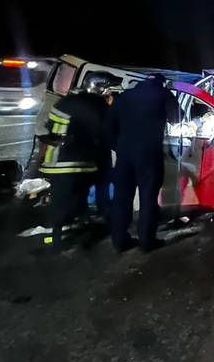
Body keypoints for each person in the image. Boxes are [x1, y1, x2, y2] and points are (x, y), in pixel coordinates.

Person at [39, 73, 114, 248]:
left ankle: (57, 237)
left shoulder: (65, 101)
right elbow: (105, 134)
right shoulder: (98, 105)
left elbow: (49, 129)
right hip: (81, 162)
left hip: (56, 161)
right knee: (80, 196)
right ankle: (82, 230)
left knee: (59, 199)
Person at [107, 73, 179, 252]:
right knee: (148, 197)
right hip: (149, 154)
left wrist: (119, 147)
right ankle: (146, 241)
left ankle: (119, 241)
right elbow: (177, 118)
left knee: (121, 198)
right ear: (162, 83)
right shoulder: (164, 94)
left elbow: (108, 126)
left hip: (124, 155)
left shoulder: (124, 97)